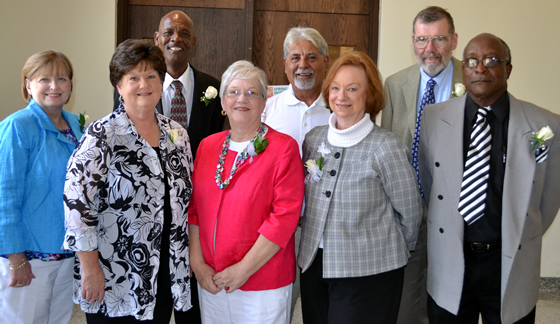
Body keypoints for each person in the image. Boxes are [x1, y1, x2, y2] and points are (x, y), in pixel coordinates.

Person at [419, 33, 560, 323]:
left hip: (509, 260)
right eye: (472, 61)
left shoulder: (545, 125)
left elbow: (547, 201)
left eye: (491, 61)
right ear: (463, 69)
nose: (480, 68)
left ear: (508, 69)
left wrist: (520, 229)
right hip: (451, 257)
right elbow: (430, 185)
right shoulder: (433, 118)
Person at [63, 39, 193, 322]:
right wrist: (90, 268)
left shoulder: (178, 135)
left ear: (162, 82)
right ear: (119, 86)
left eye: (151, 76)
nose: (143, 84)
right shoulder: (102, 135)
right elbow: (77, 204)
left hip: (163, 273)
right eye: (133, 77)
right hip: (114, 276)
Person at [298, 51, 422, 324]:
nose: (341, 96)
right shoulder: (313, 138)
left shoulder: (386, 146)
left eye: (352, 88)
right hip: (314, 266)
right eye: (336, 88)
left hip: (370, 272)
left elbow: (410, 213)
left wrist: (385, 251)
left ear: (369, 94)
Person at [188, 60, 304, 324]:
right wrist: (197, 265)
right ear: (223, 102)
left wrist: (243, 270)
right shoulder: (207, 146)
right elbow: (193, 211)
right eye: (234, 92)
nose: (242, 99)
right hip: (212, 280)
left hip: (263, 281)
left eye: (252, 92)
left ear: (264, 103)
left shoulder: (283, 148)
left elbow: (283, 218)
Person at [380, 6, 462, 323]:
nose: (429, 49)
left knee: (450, 305)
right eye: (422, 39)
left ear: (453, 40)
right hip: (407, 212)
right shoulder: (395, 84)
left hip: (456, 214)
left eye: (438, 39)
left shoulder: (473, 82)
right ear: (413, 41)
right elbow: (387, 151)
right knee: (405, 307)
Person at [0, 50, 82, 323]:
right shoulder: (17, 127)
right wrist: (16, 259)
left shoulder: (76, 126)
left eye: (61, 78)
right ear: (28, 84)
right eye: (44, 79)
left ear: (70, 84)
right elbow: (5, 197)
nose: (54, 86)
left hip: (67, 253)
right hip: (30, 258)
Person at [261, 26, 331, 318]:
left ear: (326, 62)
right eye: (295, 58)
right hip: (278, 233)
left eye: (312, 57)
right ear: (285, 65)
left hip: (327, 234)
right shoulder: (267, 111)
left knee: (321, 312)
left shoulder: (339, 110)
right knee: (277, 311)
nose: (303, 65)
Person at [113, 10, 226, 162]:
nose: (176, 38)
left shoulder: (214, 88)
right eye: (168, 32)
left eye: (184, 34)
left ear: (193, 41)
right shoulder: (135, 89)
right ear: (157, 39)